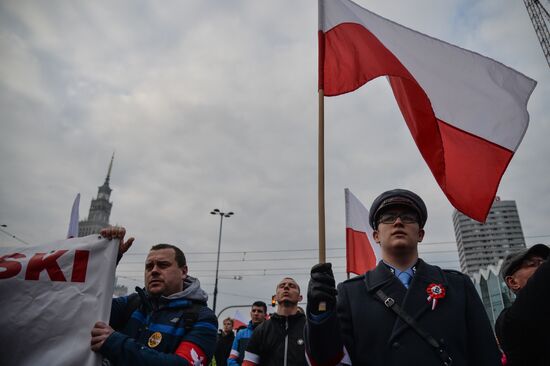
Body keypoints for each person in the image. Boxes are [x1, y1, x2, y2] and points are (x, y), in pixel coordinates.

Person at [306, 189, 501, 366]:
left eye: (408, 217)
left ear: (421, 234)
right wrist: (319, 314)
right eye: (388, 218)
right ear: (376, 236)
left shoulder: (458, 286)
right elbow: (327, 358)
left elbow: (485, 354)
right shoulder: (351, 293)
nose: (398, 222)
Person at [90, 227, 218, 366]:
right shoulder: (132, 303)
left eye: (163, 265)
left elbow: (182, 364)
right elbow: (85, 308)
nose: (154, 271)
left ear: (183, 271)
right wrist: (109, 260)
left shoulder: (203, 318)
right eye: (149, 266)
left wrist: (115, 342)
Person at [495, 243, 549, 366]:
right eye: (533, 264)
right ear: (513, 282)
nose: (542, 265)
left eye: (544, 262)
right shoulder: (507, 321)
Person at [243, 278, 307, 366]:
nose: (286, 287)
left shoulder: (309, 328)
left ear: (300, 298)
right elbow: (249, 363)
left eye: (292, 286)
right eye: (282, 286)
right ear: (275, 297)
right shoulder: (261, 330)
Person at [227, 301, 267, 366]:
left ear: (265, 315)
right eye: (254, 311)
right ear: (250, 313)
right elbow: (231, 360)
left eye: (259, 311)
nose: (256, 313)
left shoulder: (270, 333)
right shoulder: (240, 334)